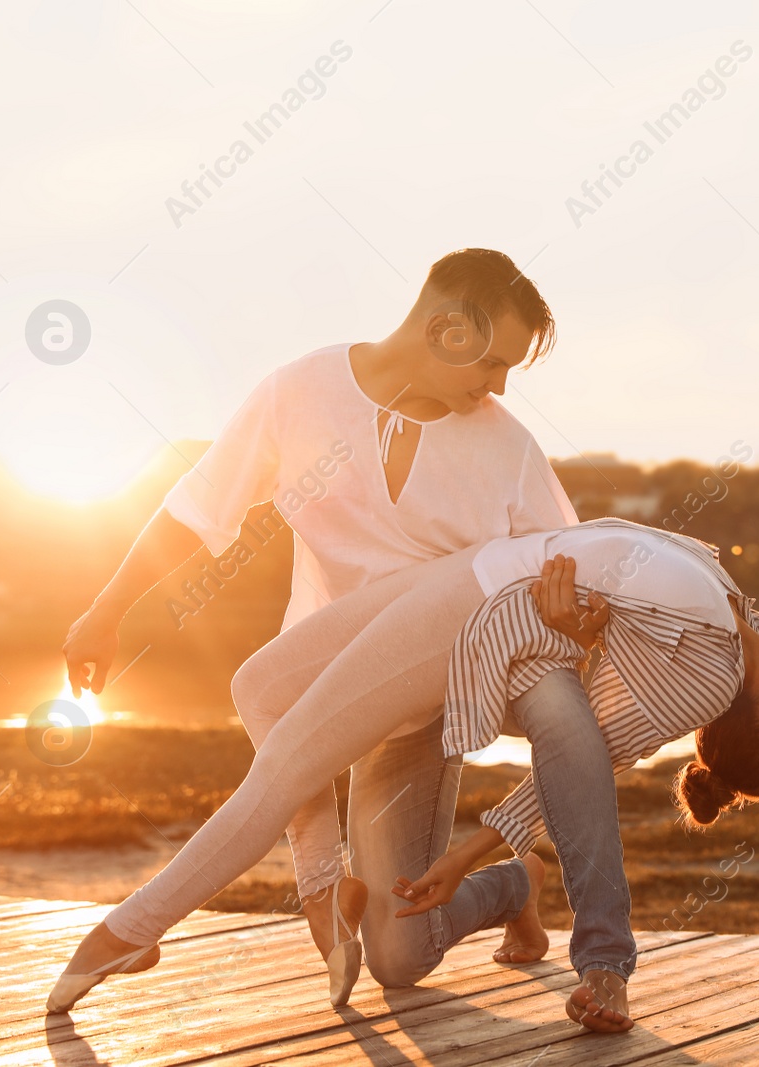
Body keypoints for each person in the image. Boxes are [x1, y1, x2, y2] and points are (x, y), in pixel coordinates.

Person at [49, 518, 759, 1033]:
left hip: (472, 627)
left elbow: (566, 771)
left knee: (290, 775)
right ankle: (350, 884)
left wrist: (473, 844)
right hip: (473, 569)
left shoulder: (699, 672)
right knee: (261, 680)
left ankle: (127, 931)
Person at [54, 247, 591, 1011]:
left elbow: (555, 566)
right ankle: (315, 887)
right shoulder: (298, 394)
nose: (499, 385)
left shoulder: (508, 449)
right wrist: (106, 609)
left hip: (420, 713)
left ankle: (515, 883)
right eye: (494, 361)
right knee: (263, 688)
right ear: (444, 330)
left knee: (400, 959)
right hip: (313, 682)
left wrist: (572, 617)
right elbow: (196, 509)